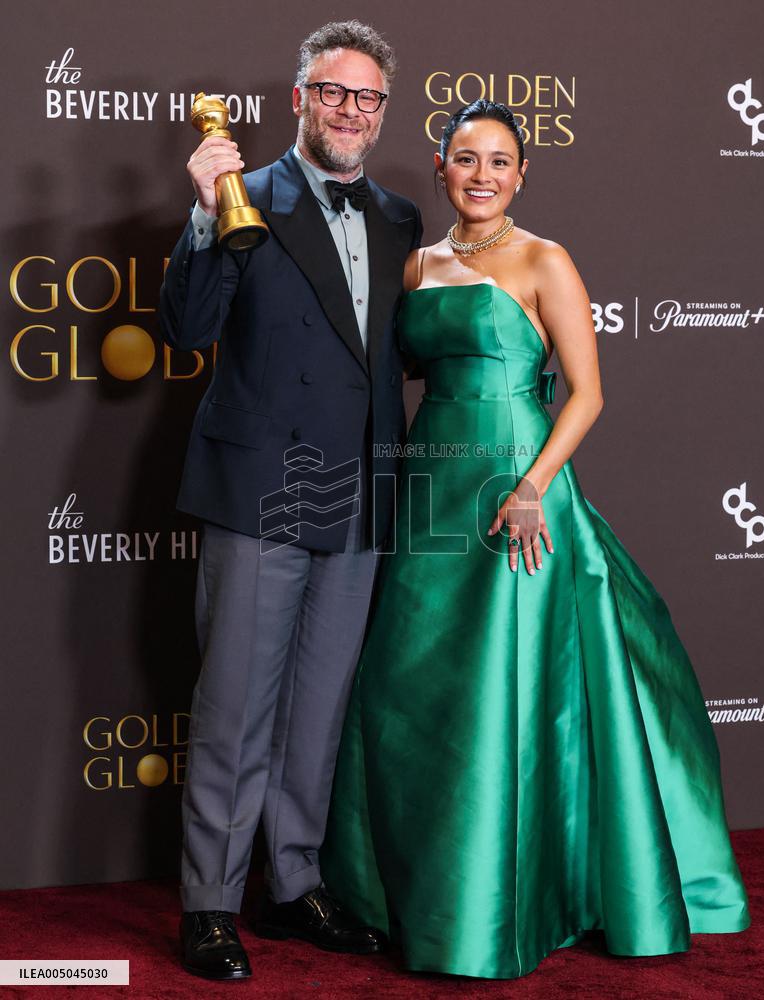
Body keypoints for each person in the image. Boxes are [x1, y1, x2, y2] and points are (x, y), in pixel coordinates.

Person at [320, 99, 750, 979]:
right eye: (466, 159)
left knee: (506, 689)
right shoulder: (418, 265)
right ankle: (405, 893)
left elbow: (586, 393)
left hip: (518, 483)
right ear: (439, 169)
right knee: (416, 691)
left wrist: (530, 488)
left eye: (501, 161)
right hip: (433, 484)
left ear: (523, 174)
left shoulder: (546, 260)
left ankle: (505, 904)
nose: (482, 175)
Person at [158, 20, 422, 981]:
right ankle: (212, 905)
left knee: (317, 711)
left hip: (359, 494)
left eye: (367, 97)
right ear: (299, 99)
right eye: (332, 91)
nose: (349, 110)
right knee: (234, 710)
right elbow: (188, 330)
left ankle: (294, 881)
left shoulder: (399, 218)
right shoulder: (245, 198)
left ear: (381, 113)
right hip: (260, 489)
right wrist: (199, 213)